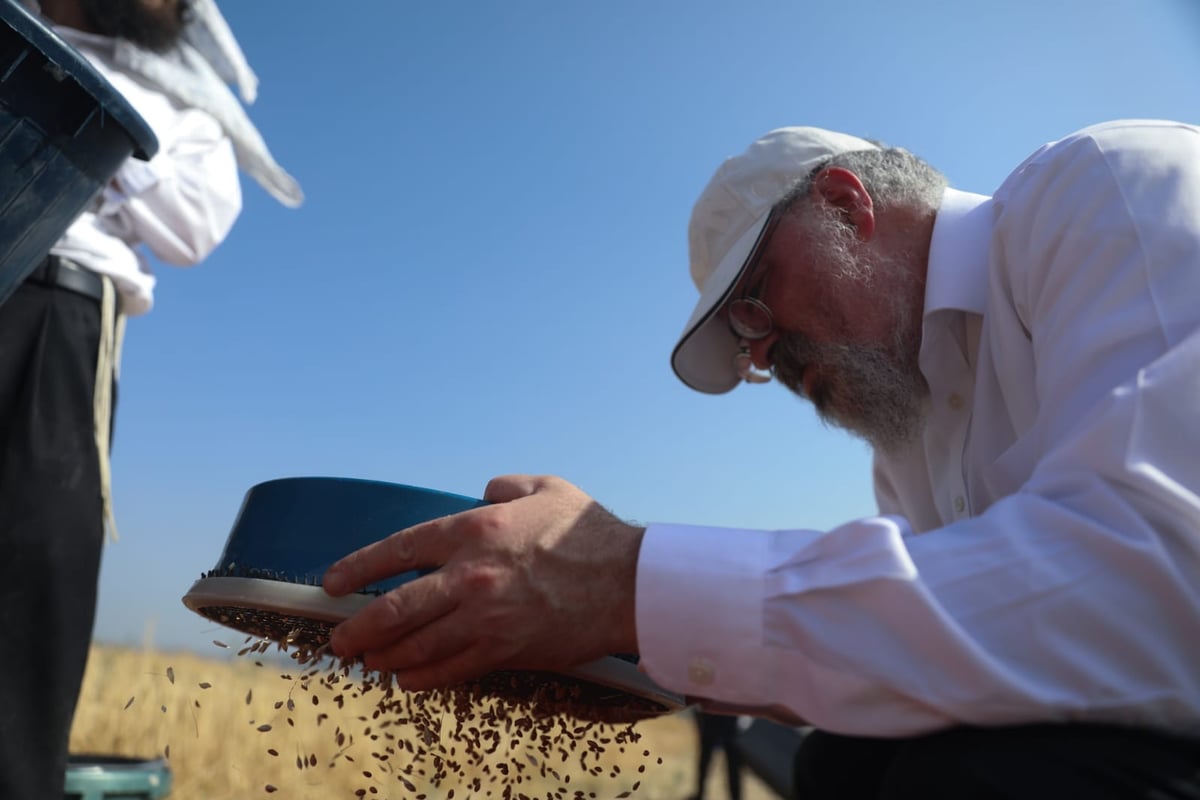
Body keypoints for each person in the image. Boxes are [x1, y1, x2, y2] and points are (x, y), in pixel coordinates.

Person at [321, 119, 1200, 798]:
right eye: (746, 340)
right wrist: (616, 649)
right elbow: (928, 653)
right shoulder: (912, 445)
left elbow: (1156, 586)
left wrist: (622, 581)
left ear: (848, 204)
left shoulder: (1106, 193)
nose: (761, 358)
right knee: (847, 767)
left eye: (754, 304)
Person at [0, 1, 300, 796]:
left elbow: (194, 224)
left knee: (33, 571)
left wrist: (84, 115)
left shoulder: (186, 106)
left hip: (58, 318)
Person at [689, 711, 744, 800]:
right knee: (706, 758)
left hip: (725, 714)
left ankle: (700, 794)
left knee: (731, 761)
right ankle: (699, 794)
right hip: (716, 714)